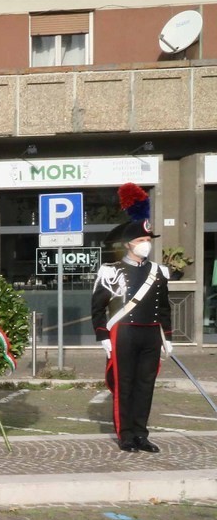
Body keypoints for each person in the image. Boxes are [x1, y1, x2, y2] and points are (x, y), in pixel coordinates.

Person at [92, 183, 173, 453]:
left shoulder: (160, 271)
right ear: (129, 244)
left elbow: (164, 307)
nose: (146, 245)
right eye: (141, 241)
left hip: (150, 333)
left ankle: (141, 433)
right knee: (124, 385)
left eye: (148, 241)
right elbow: (97, 307)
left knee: (145, 385)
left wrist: (167, 338)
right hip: (123, 332)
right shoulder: (110, 270)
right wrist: (103, 335)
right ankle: (125, 434)